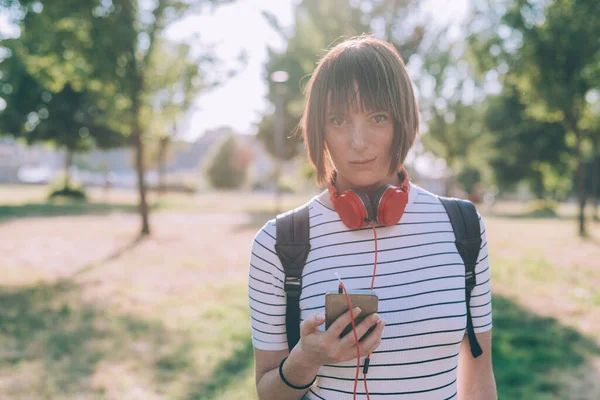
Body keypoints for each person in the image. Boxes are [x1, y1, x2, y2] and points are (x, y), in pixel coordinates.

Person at [247, 35, 497, 400]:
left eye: (377, 117)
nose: (359, 142)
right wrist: (306, 359)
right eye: (339, 120)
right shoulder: (278, 243)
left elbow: (478, 375)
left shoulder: (464, 228)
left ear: (403, 121)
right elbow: (267, 393)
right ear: (320, 130)